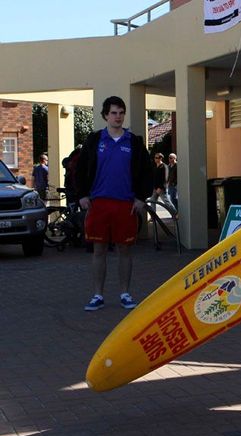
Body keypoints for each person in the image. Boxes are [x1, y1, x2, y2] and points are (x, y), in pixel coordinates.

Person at [76, 96, 153, 311]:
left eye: (121, 113)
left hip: (125, 205)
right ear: (105, 116)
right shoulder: (94, 141)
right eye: (113, 113)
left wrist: (140, 197)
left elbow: (147, 171)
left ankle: (125, 294)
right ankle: (98, 295)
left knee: (124, 251)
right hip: (98, 204)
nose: (117, 117)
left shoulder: (134, 142)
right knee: (98, 250)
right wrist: (82, 194)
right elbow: (80, 169)